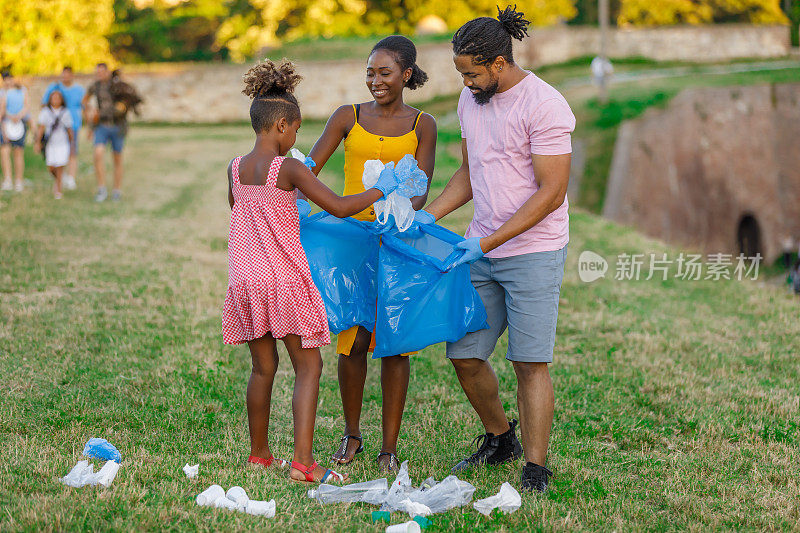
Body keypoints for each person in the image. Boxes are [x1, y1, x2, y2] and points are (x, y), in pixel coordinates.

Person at [417, 6, 574, 493]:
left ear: (499, 64)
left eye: (471, 73)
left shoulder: (544, 105)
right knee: (464, 355)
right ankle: (499, 437)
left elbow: (551, 193)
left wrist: (485, 242)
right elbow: (470, 173)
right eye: (461, 74)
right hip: (480, 247)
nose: (465, 83)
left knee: (529, 362)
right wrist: (431, 214)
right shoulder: (472, 103)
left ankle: (535, 467)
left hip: (533, 251)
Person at [223, 59, 402, 484]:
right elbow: (339, 206)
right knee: (308, 367)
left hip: (245, 280)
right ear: (283, 125)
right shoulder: (289, 168)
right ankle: (303, 462)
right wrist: (385, 187)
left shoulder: (234, 167)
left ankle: (259, 455)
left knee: (262, 369)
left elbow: (238, 210)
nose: (297, 139)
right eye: (297, 130)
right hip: (283, 280)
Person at [306, 35, 437, 473]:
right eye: (369, 72)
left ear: (406, 74)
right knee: (353, 342)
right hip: (348, 243)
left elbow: (420, 190)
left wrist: (394, 206)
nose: (375, 81)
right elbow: (310, 170)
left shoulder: (424, 125)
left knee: (394, 343)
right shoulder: (348, 116)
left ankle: (389, 446)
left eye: (384, 73)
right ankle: (351, 434)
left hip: (396, 241)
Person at [83, 63, 128, 202]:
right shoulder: (95, 86)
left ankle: (117, 190)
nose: (100, 74)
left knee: (117, 159)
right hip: (101, 125)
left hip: (118, 126)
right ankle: (101, 189)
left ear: (108, 72)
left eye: (102, 72)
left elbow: (127, 100)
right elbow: (84, 101)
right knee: (98, 154)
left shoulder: (117, 85)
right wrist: (90, 119)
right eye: (98, 72)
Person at [41, 66, 86, 190]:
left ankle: (71, 177)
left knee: (72, 150)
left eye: (67, 74)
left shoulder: (79, 90)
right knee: (55, 153)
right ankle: (61, 176)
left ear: (72, 75)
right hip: (55, 127)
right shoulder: (54, 87)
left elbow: (85, 106)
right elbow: (44, 103)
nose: (65, 77)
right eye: (63, 74)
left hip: (73, 124)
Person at [35, 89, 74, 199]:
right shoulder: (46, 112)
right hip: (51, 144)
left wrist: (72, 143)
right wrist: (37, 142)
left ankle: (58, 189)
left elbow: (69, 129)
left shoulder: (65, 112)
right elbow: (41, 128)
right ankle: (59, 180)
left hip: (62, 143)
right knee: (51, 167)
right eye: (54, 98)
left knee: (60, 166)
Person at [1, 71, 29, 192]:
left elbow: (26, 106)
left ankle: (19, 180)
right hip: (5, 125)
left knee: (18, 153)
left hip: (19, 124)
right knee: (5, 152)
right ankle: (8, 180)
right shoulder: (2, 93)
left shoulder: (22, 90)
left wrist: (18, 116)